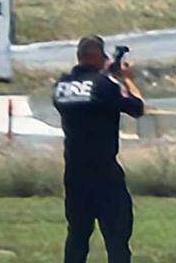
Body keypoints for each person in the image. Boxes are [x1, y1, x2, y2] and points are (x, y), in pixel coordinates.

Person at [52, 35, 145, 263]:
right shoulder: (106, 85)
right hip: (104, 174)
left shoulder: (61, 86)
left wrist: (105, 75)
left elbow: (88, 96)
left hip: (74, 173)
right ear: (97, 56)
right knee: (117, 238)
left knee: (77, 236)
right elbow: (137, 107)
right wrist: (125, 79)